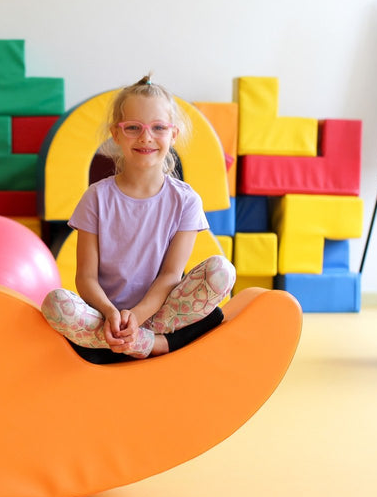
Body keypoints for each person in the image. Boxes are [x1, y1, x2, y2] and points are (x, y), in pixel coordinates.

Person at [41, 75, 235, 363]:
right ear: (116, 135)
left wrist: (138, 316)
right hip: (103, 318)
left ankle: (130, 343)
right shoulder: (96, 197)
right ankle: (148, 344)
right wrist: (111, 314)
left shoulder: (186, 200)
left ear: (173, 135)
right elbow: (86, 277)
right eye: (133, 128)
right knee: (55, 304)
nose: (146, 137)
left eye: (158, 128)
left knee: (222, 271)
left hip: (160, 315)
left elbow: (171, 275)